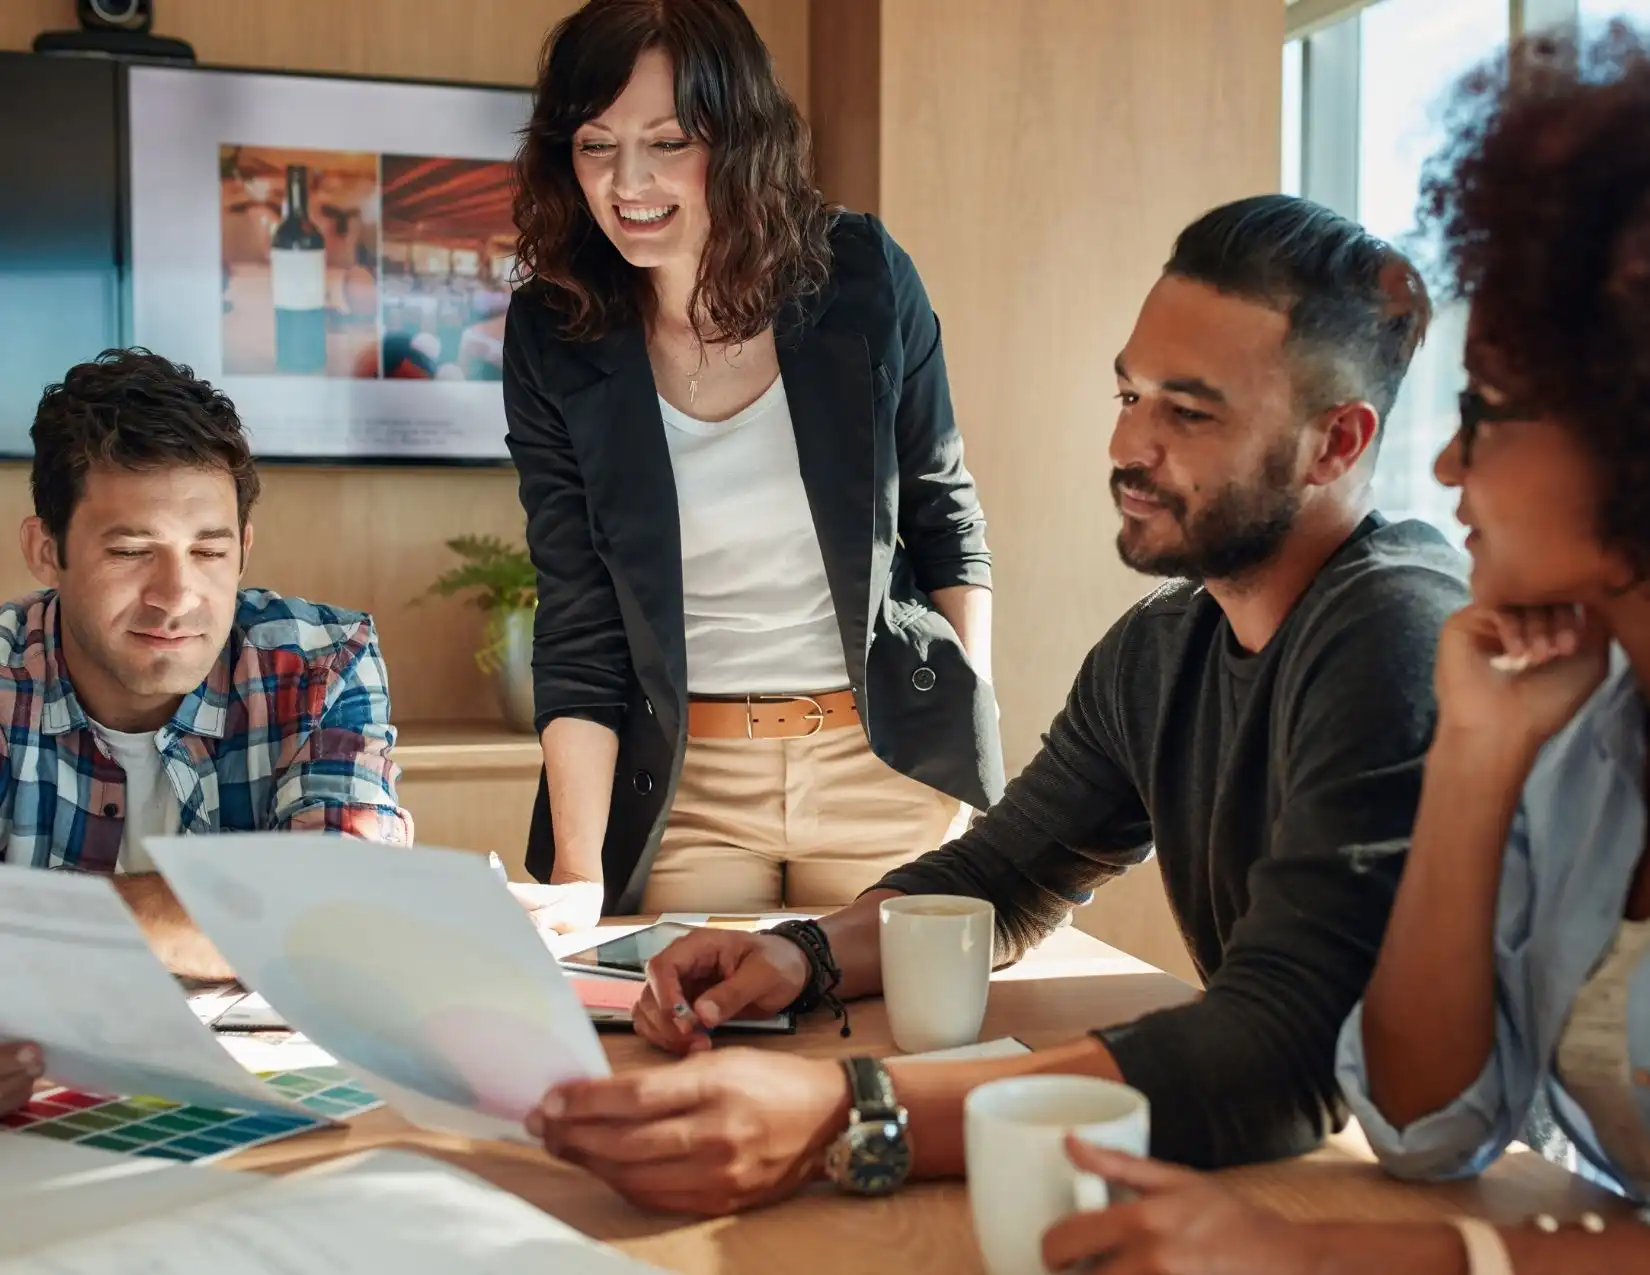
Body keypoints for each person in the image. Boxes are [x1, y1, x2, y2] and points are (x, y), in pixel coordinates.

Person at [523, 193, 1471, 1215]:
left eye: (1188, 412)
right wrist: (795, 956)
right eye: (1128, 396)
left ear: (1338, 444)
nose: (1130, 448)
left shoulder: (1396, 633)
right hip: (1296, 1176)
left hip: (1447, 1205)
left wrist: (847, 1109)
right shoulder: (1161, 649)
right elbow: (1002, 873)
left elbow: (1284, 1048)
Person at [893, 26, 1650, 1275]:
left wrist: (1336, 1258)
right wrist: (1475, 751)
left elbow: (1314, 1067)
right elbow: (1429, 1125)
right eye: (1130, 393)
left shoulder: (1396, 619)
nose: (1451, 465)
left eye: (1492, 419)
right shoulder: (1569, 729)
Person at [502, 0, 1002, 933]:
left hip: (883, 764)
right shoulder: (554, 328)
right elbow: (576, 610)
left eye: (669, 140)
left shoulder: (861, 275)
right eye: (595, 146)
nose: (629, 182)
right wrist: (577, 874)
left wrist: (965, 744)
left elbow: (945, 521)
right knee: (690, 1041)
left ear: (738, 139)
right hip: (688, 785)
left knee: (902, 1051)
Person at [0, 348, 413, 980]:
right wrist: (242, 912)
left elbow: (340, 920)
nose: (177, 596)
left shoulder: (323, 664)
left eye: (209, 552)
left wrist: (36, 918)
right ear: (45, 549)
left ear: (243, 549)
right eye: (133, 551)